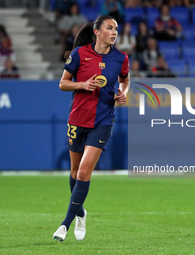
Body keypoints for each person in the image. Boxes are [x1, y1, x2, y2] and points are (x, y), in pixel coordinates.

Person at [52, 15, 129, 242]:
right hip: (77, 120)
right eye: (109, 28)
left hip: (103, 121)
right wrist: (82, 85)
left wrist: (123, 92)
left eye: (116, 29)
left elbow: (125, 80)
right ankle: (80, 211)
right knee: (75, 172)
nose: (114, 32)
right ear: (97, 32)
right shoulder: (79, 54)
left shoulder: (121, 58)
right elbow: (63, 83)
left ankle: (64, 225)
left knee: (85, 172)